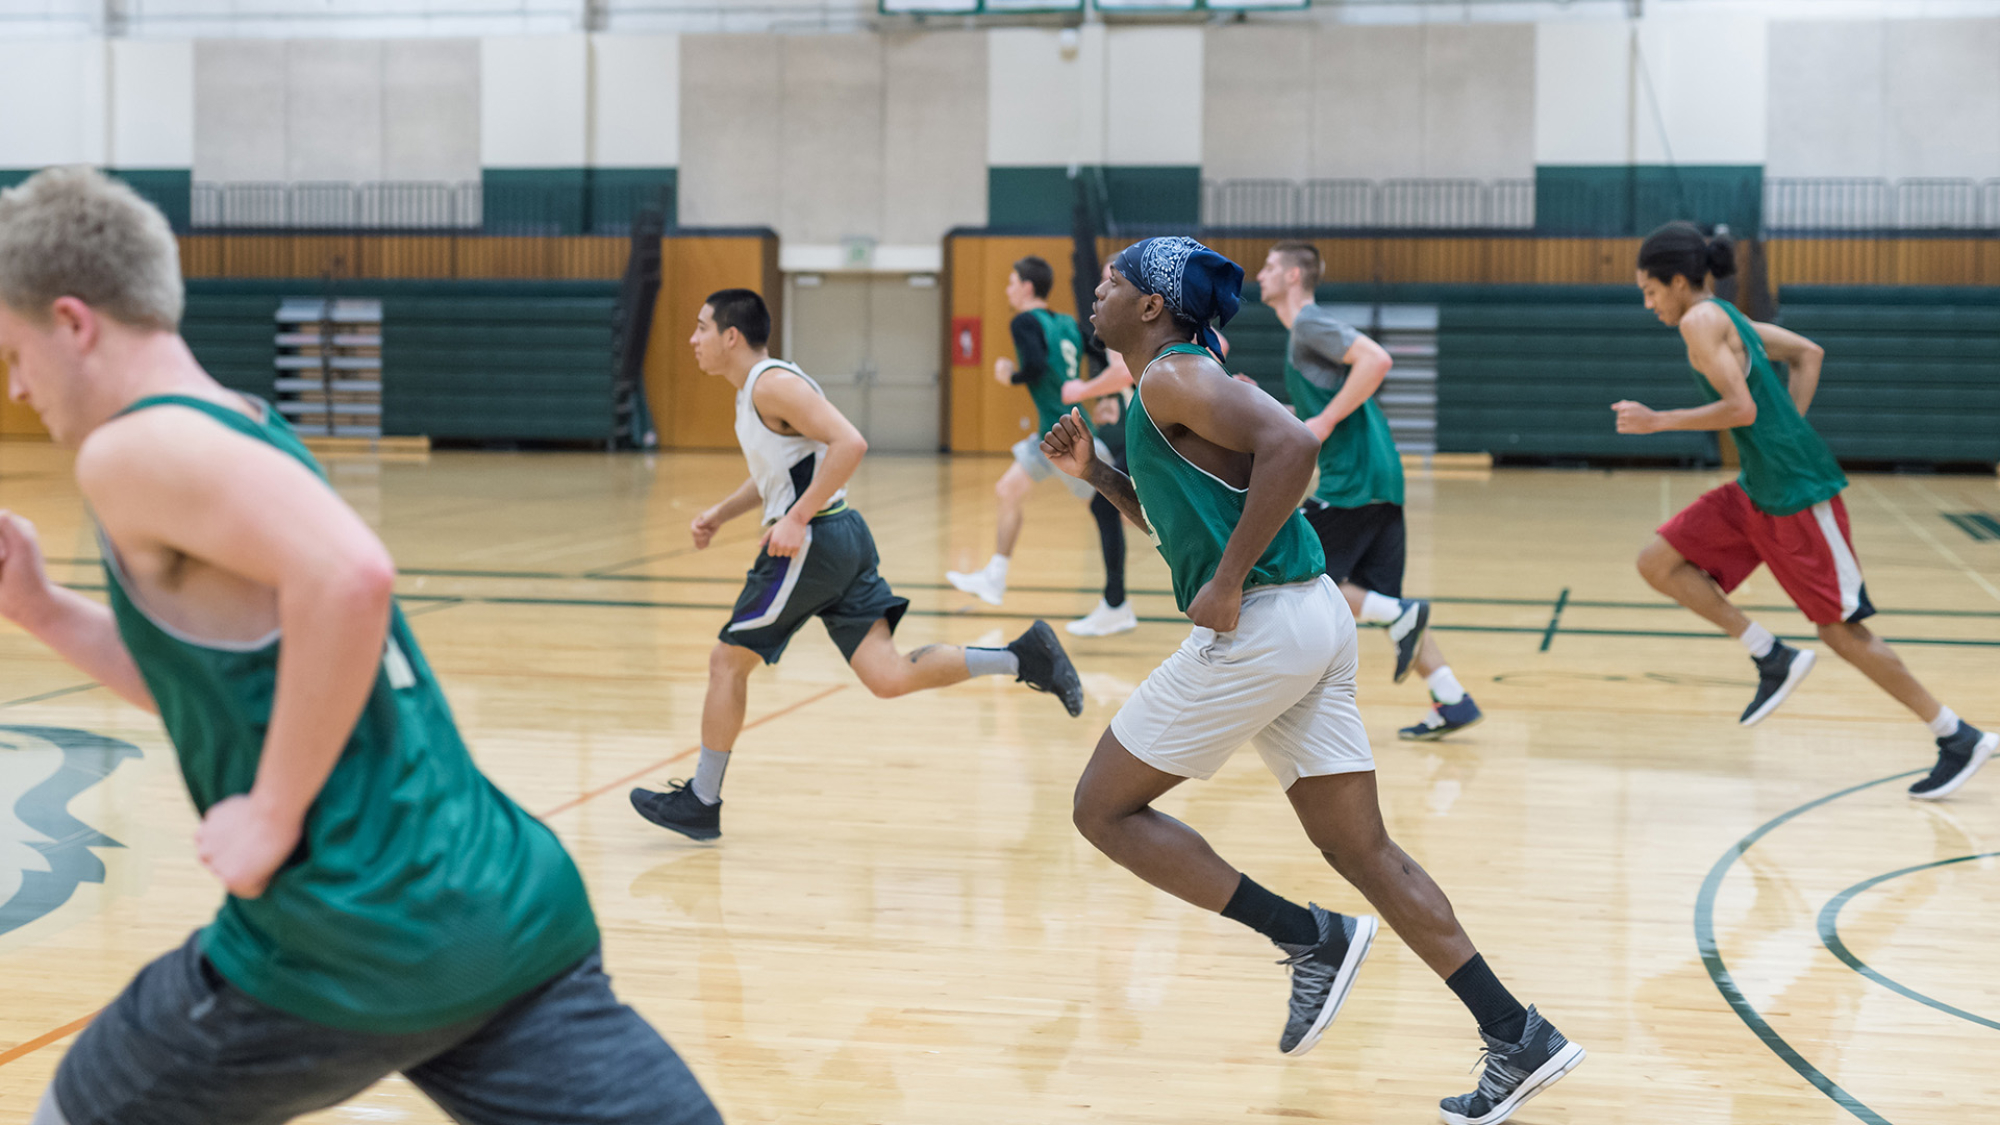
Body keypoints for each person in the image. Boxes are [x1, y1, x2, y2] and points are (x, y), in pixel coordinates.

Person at [0, 167, 723, 1125]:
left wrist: (269, 810)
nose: (15, 385)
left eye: (14, 352)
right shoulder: (247, 423)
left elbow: (352, 578)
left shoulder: (130, 449)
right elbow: (217, 684)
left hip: (349, 936)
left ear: (73, 321)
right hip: (502, 907)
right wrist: (42, 608)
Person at [1050, 236, 1582, 1125]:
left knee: (1101, 808)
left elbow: (1294, 448)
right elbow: (1188, 522)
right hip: (1309, 617)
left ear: (1151, 305)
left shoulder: (1172, 377)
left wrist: (1225, 583)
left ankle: (1309, 936)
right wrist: (1101, 476)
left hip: (1265, 620)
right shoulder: (1176, 385)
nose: (1096, 290)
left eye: (1112, 280)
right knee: (1362, 848)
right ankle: (1516, 1031)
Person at [631, 289, 1083, 841]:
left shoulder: (772, 384)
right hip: (839, 537)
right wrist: (722, 514)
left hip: (812, 543)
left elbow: (850, 442)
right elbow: (783, 469)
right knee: (887, 676)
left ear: (731, 336)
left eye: (702, 327)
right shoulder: (758, 389)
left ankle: (701, 800)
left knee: (727, 663)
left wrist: (795, 518)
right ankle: (1022, 658)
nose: (693, 339)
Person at [1618, 221, 1994, 800]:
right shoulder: (1730, 318)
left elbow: (1740, 409)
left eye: (1649, 291)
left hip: (1796, 491)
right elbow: (1808, 353)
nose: (1649, 304)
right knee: (1658, 562)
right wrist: (1786, 429)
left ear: (1677, 281)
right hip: (1759, 485)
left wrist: (1658, 420)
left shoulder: (1699, 321)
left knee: (1842, 631)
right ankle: (1770, 653)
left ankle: (1957, 735)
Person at [1253, 242, 1482, 740]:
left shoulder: (1309, 324)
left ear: (1294, 276)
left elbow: (1376, 360)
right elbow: (1311, 415)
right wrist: (1264, 408)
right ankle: (1451, 698)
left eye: (1270, 267)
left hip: (1351, 479)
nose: (1260, 274)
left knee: (1292, 575)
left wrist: (1326, 420)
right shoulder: (1304, 338)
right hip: (1381, 475)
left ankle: (1267, 700)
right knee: (1382, 606)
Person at [946, 256, 1135, 637]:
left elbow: (1032, 366)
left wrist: (1009, 375)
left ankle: (1117, 602)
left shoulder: (1023, 322)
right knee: (1009, 490)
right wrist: (1106, 392)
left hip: (1062, 436)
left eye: (1012, 281)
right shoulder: (1066, 321)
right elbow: (1099, 353)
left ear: (1028, 287)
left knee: (1109, 510)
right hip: (1056, 432)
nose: (1008, 289)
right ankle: (995, 577)